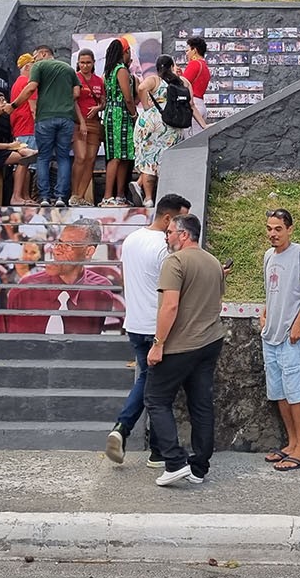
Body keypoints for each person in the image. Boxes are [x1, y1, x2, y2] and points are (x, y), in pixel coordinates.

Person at [105, 194, 191, 466]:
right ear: (168, 219)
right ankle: (123, 427)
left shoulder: (131, 240)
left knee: (153, 382)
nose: (183, 227)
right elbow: (175, 288)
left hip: (134, 323)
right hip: (158, 326)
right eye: (181, 219)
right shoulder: (165, 248)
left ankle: (156, 449)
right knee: (153, 385)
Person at [146, 213, 226, 487]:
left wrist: (158, 344)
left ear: (183, 235)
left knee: (156, 398)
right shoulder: (213, 262)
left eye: (169, 232)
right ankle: (199, 467)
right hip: (210, 341)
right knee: (201, 403)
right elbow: (216, 299)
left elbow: (169, 306)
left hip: (180, 344)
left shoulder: (175, 261)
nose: (166, 237)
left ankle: (175, 461)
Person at [258, 208, 300, 473]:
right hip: (270, 333)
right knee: (278, 391)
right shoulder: (268, 256)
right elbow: (271, 290)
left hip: (291, 334)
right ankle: (292, 443)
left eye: (278, 229)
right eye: (270, 228)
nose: (273, 234)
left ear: (289, 229)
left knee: (295, 391)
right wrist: (264, 312)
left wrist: (298, 323)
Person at [2, 218, 121, 334]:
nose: (57, 250)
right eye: (59, 243)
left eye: (68, 245)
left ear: (88, 252)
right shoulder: (24, 291)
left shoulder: (100, 292)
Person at [11, 47, 83, 208]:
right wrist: (62, 101)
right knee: (63, 157)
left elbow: (30, 89)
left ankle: (44, 197)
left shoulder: (39, 67)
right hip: (66, 118)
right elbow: (77, 93)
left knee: (44, 157)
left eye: (35, 56)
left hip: (45, 118)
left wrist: (13, 105)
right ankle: (60, 198)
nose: (34, 60)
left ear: (44, 54)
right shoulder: (68, 69)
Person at [133, 55, 206, 208]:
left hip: (152, 122)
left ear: (157, 67)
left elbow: (140, 87)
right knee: (166, 160)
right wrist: (204, 125)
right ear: (173, 66)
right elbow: (191, 105)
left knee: (149, 161)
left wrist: (146, 105)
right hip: (173, 124)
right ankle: (165, 195)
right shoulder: (183, 82)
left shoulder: (155, 80)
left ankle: (148, 198)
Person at [100, 39, 137, 207]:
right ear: (124, 52)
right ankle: (108, 196)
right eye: (128, 50)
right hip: (119, 114)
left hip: (113, 112)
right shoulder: (121, 70)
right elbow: (128, 97)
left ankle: (120, 195)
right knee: (116, 156)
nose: (130, 54)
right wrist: (134, 114)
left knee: (124, 156)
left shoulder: (108, 71)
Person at [69, 49, 106, 207]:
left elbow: (103, 102)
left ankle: (80, 196)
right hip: (79, 123)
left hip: (95, 123)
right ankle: (73, 194)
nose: (85, 65)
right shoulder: (74, 78)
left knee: (91, 160)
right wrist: (81, 121)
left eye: (88, 63)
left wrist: (98, 108)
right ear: (78, 63)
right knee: (81, 157)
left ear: (93, 63)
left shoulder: (99, 80)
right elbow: (73, 101)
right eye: (82, 62)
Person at [8, 52, 40, 204]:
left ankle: (25, 196)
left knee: (28, 165)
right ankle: (17, 196)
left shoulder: (17, 82)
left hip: (20, 127)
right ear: (28, 66)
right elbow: (33, 107)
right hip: (28, 127)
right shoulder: (28, 82)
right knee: (24, 162)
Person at [181, 37, 212, 139]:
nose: (186, 54)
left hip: (192, 107)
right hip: (201, 105)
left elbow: (183, 85)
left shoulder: (194, 64)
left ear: (194, 50)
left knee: (189, 144)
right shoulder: (205, 67)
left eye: (187, 50)